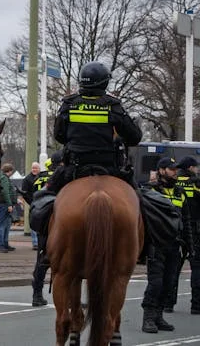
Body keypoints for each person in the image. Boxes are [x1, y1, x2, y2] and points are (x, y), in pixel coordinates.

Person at [33, 61, 142, 257]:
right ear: (104, 83)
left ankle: (45, 251)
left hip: (74, 168)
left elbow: (59, 136)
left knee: (44, 202)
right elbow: (134, 137)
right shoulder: (113, 105)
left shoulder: (69, 103)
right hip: (110, 168)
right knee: (142, 203)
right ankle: (145, 249)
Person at [141, 157, 189, 333]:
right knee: (156, 283)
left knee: (169, 283)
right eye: (171, 169)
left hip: (174, 245)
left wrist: (189, 246)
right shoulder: (149, 190)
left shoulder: (180, 193)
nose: (175, 172)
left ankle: (158, 316)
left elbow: (186, 221)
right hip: (156, 244)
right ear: (161, 171)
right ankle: (148, 318)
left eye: (176, 169)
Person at [30, 152, 62, 306]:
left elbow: (34, 193)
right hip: (54, 219)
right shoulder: (63, 174)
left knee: (42, 259)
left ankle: (37, 294)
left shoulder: (42, 176)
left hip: (43, 220)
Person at [168, 156, 197, 313]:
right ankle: (196, 305)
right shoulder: (196, 183)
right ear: (191, 168)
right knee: (197, 267)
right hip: (195, 230)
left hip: (175, 229)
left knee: (173, 267)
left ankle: (168, 303)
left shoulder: (174, 183)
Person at [0, 164, 16, 253]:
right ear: (10, 171)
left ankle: (5, 244)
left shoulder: (2, 178)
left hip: (3, 203)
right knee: (2, 225)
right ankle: (1, 246)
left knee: (6, 225)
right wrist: (9, 204)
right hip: (4, 204)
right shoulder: (4, 178)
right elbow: (5, 192)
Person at [20, 161, 41, 248]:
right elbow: (24, 193)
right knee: (34, 222)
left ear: (39, 169)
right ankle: (35, 243)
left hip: (42, 203)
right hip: (33, 203)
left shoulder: (42, 177)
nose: (34, 170)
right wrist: (31, 202)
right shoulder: (27, 179)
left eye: (36, 168)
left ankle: (40, 242)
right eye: (33, 168)